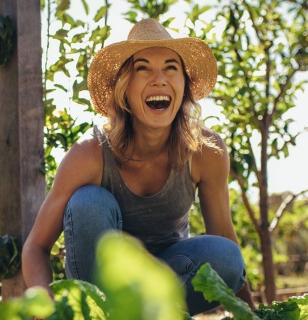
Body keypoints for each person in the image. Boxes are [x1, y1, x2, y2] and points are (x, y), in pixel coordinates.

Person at [22, 18, 255, 315]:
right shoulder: (89, 154)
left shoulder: (205, 151)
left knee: (227, 256)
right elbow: (35, 247)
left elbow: (223, 233)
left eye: (171, 67)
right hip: (100, 289)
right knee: (89, 202)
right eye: (143, 68)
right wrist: (47, 310)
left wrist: (252, 312)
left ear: (184, 86)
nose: (159, 79)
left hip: (172, 279)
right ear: (124, 88)